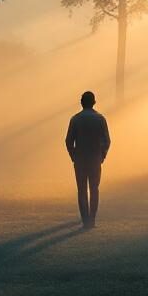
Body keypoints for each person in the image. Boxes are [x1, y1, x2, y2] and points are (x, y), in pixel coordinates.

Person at [65, 91, 110, 229]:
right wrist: (102, 155)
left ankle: (85, 220)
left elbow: (68, 141)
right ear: (94, 102)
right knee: (94, 188)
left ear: (81, 102)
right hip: (95, 158)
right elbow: (107, 140)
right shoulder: (100, 119)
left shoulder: (75, 119)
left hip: (80, 159)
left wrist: (73, 156)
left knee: (82, 189)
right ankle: (92, 219)